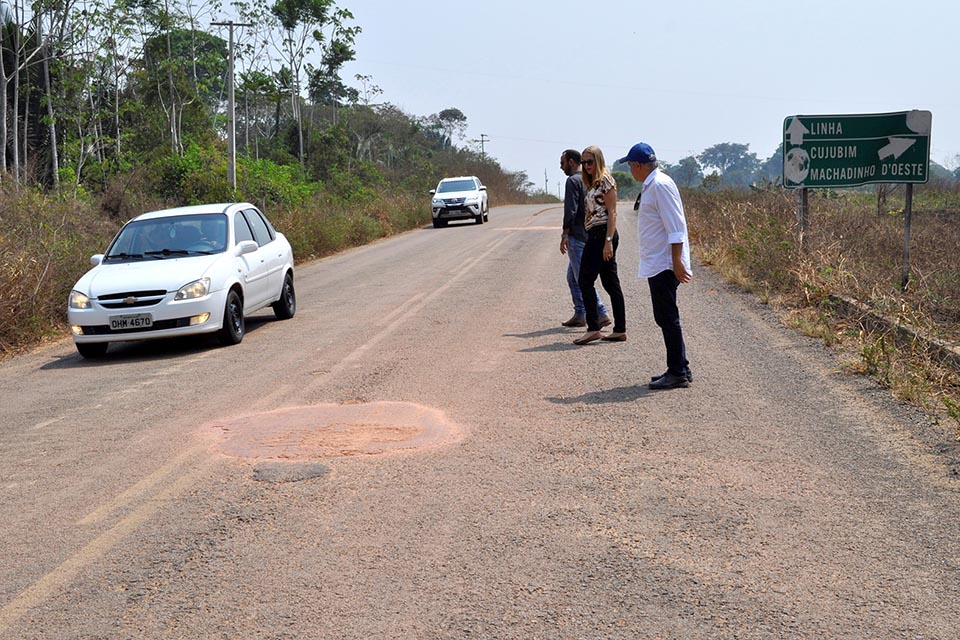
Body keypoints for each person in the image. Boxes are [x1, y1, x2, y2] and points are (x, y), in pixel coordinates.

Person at [618, 142, 692, 389]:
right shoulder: (652, 185)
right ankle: (681, 365)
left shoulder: (659, 185)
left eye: (630, 166)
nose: (630, 171)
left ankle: (677, 372)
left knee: (667, 316)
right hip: (659, 261)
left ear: (638, 165)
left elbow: (676, 227)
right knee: (665, 316)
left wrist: (677, 262)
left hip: (665, 262)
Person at [572, 145, 626, 345]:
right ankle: (619, 330)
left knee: (585, 280)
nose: (586, 165)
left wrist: (608, 242)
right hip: (594, 234)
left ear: (599, 160)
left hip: (603, 234)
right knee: (610, 283)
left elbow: (612, 212)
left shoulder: (605, 180)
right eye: (583, 162)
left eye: (590, 161)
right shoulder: (592, 184)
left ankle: (594, 328)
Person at [559, 149, 610, 329]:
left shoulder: (572, 181)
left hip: (577, 236)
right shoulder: (587, 179)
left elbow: (570, 210)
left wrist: (565, 234)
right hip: (589, 234)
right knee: (572, 277)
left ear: (572, 162)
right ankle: (580, 313)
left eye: (563, 162)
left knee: (582, 278)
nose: (561, 166)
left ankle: (601, 312)